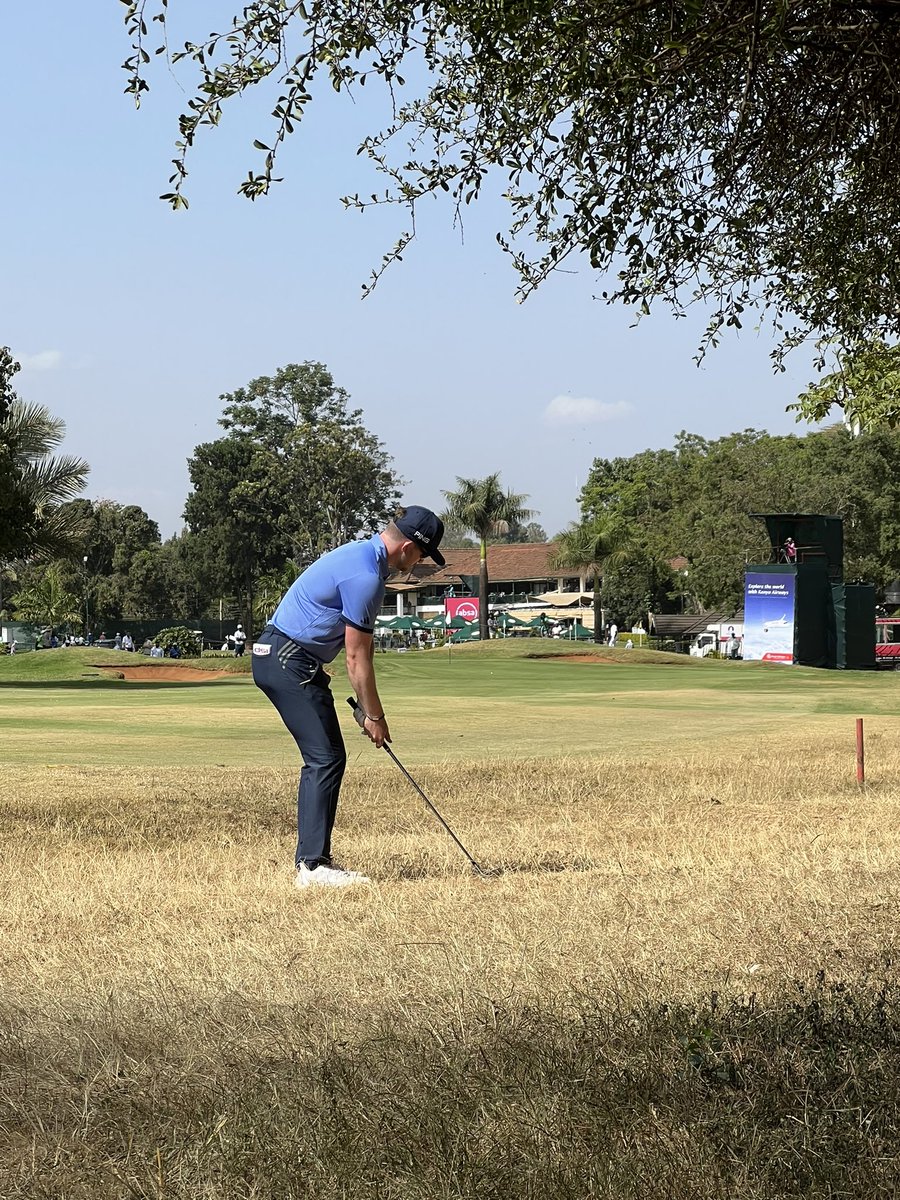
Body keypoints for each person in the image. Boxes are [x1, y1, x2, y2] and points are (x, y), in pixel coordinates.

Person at [252, 505, 445, 890]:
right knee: (324, 757)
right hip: (288, 659)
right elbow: (358, 656)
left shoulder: (360, 554)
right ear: (408, 547)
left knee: (327, 756)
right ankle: (312, 867)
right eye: (422, 555)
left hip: (285, 656)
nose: (420, 563)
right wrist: (374, 715)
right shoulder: (367, 576)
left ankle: (314, 861)